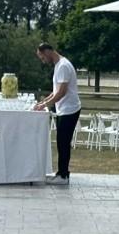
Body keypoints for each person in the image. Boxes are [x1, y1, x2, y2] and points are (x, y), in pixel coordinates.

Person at [33, 43, 82, 184]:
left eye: (42, 57)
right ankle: (61, 173)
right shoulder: (59, 65)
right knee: (61, 142)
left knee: (63, 142)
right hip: (64, 109)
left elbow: (61, 92)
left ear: (48, 52)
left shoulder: (63, 66)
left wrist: (45, 105)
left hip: (69, 110)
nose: (43, 60)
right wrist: (43, 102)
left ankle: (63, 176)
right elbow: (55, 91)